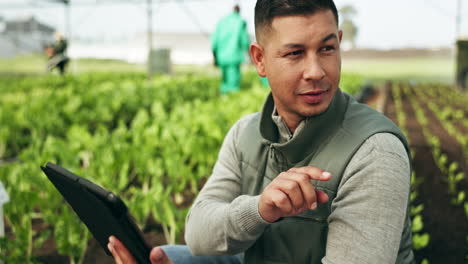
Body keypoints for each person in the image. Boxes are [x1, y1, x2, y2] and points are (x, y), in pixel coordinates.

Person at [108, 0, 415, 263]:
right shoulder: (245, 134)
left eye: (326, 48)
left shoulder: (375, 151)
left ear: (339, 41)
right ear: (259, 59)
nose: (316, 71)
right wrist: (260, 209)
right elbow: (199, 234)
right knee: (167, 255)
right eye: (295, 53)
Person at [211, 5, 250, 95]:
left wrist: (214, 56)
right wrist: (249, 53)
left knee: (224, 82)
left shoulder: (222, 21)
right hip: (234, 56)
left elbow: (214, 41)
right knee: (233, 85)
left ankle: (223, 100)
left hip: (221, 56)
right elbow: (244, 40)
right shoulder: (240, 22)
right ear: (239, 11)